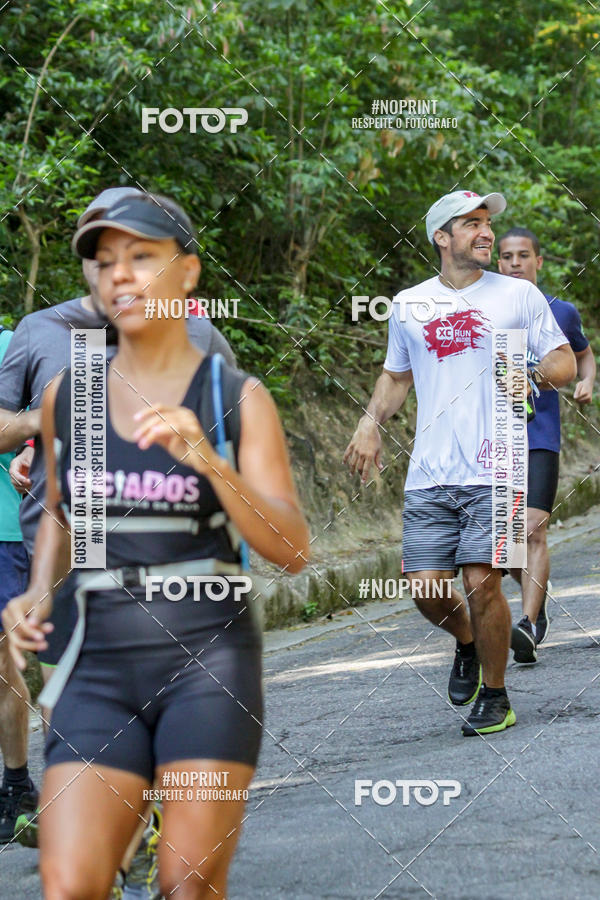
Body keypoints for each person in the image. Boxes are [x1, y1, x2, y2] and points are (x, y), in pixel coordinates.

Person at [3, 191, 310, 899]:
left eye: (141, 257)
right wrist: (36, 591)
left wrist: (209, 461)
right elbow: (60, 506)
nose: (119, 276)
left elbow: (291, 549)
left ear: (189, 273)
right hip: (99, 660)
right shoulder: (67, 393)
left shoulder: (234, 393)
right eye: (104, 262)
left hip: (208, 658)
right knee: (72, 882)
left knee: (186, 883)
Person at [343, 189, 576, 736]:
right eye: (470, 223)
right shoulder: (410, 303)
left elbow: (563, 359)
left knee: (481, 580)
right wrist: (370, 423)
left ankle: (496, 696)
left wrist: (536, 375)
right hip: (430, 470)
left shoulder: (518, 296)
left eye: (487, 222)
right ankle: (468, 643)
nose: (486, 232)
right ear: (441, 238)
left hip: (500, 466)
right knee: (425, 587)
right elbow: (396, 377)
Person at [497, 227, 596, 663]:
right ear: (495, 262)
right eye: (506, 256)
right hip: (494, 439)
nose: (514, 263)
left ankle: (528, 623)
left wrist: (587, 380)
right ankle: (537, 597)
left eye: (523, 255)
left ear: (539, 261)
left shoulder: (561, 311)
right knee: (505, 544)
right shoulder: (483, 312)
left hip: (539, 437)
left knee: (532, 528)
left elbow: (583, 354)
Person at [0, 327, 38, 844]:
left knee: (11, 663)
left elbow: (60, 416)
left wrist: (29, 449)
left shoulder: (14, 344)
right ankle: (18, 785)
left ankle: (17, 785)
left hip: (11, 532)